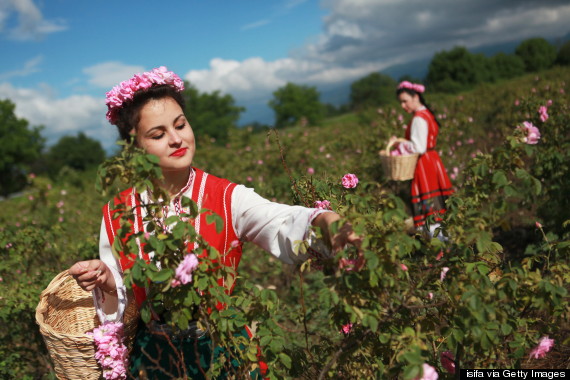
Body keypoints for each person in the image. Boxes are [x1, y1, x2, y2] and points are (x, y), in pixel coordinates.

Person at [68, 66, 361, 379]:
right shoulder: (118, 213)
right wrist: (107, 280)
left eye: (180, 125)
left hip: (222, 348)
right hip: (155, 356)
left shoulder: (224, 197)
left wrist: (327, 222)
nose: (176, 139)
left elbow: (281, 219)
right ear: (135, 147)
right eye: (158, 134)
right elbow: (123, 296)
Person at [391, 81, 454, 239]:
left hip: (424, 164)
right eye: (401, 102)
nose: (403, 106)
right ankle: (445, 241)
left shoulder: (419, 118)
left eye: (405, 101)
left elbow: (419, 147)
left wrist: (399, 143)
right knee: (437, 204)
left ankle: (439, 244)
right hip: (433, 160)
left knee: (429, 204)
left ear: (416, 96)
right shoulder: (427, 113)